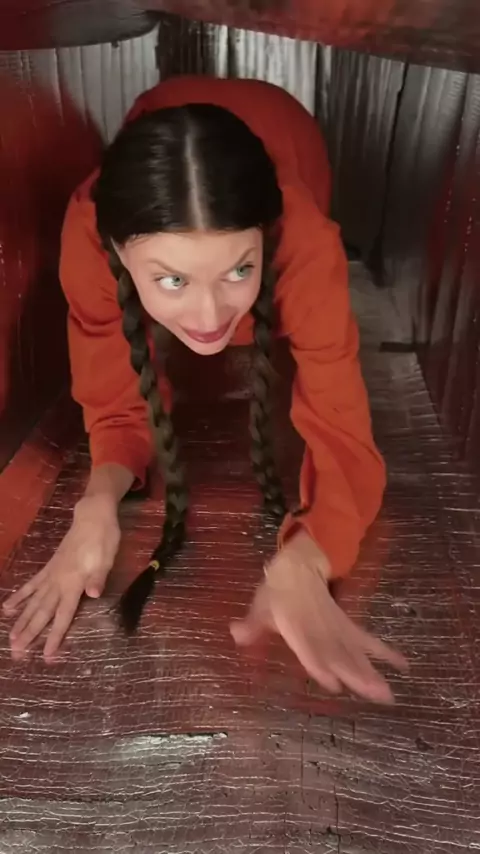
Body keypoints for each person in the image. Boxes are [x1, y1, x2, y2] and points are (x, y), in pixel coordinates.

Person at [2, 75, 407, 702]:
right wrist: (97, 502)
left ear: (266, 241)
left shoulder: (304, 243)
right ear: (117, 252)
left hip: (287, 128)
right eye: (172, 281)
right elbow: (114, 399)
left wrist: (310, 557)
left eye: (239, 270)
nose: (211, 316)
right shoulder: (87, 235)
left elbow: (343, 431)